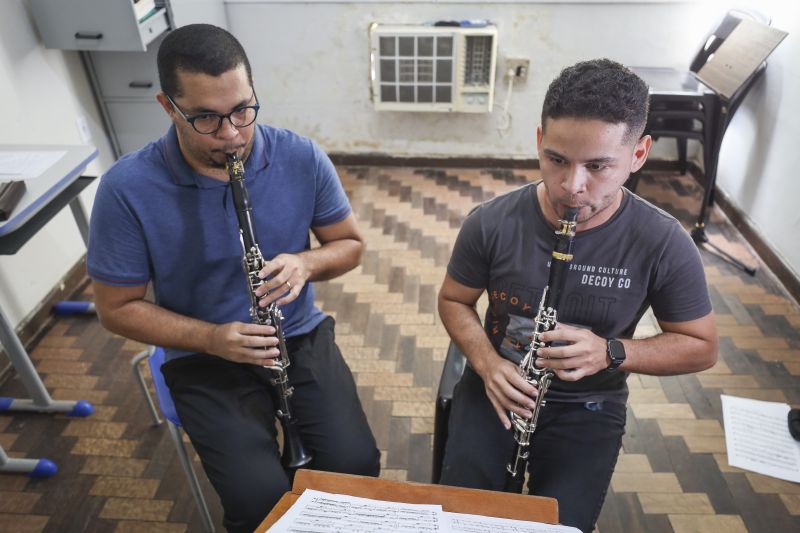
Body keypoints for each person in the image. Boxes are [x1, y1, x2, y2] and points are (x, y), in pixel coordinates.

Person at [87, 24, 379, 532]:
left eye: (243, 110)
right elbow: (115, 308)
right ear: (167, 106)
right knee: (257, 500)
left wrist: (305, 263)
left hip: (297, 334)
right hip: (204, 353)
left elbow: (350, 246)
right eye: (205, 117)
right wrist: (211, 337)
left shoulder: (300, 156)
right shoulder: (126, 189)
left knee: (356, 467)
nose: (232, 135)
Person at [437, 58, 718, 532]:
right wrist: (487, 365)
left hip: (591, 405)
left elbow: (701, 346)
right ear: (540, 141)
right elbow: (454, 300)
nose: (573, 187)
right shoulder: (490, 221)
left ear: (639, 154)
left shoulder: (664, 241)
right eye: (558, 160)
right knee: (465, 521)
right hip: (498, 389)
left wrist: (611, 351)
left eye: (599, 165)